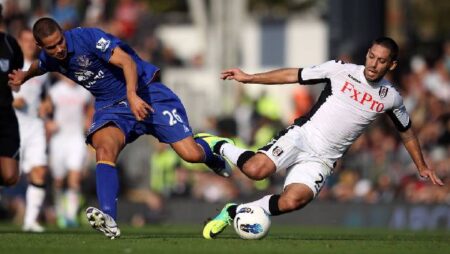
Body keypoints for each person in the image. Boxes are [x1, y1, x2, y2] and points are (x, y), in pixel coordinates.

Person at [8, 17, 231, 239]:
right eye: (51, 47)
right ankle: (109, 219)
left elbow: (127, 62)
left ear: (63, 33)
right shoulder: (49, 57)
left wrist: (132, 95)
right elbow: (40, 66)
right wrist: (24, 76)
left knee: (190, 154)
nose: (58, 49)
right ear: (41, 47)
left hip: (145, 92)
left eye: (60, 42)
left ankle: (212, 152)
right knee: (104, 149)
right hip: (110, 106)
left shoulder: (88, 38)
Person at [202, 37, 444, 239]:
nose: (373, 64)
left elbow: (407, 131)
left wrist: (421, 166)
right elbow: (293, 75)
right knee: (256, 170)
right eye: (371, 56)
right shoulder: (340, 70)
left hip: (324, 159)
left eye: (381, 61)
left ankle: (235, 211)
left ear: (391, 65)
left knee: (293, 201)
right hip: (302, 136)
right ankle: (220, 145)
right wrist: (251, 77)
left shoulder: (391, 97)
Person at [13, 28, 50, 233]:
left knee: (39, 171)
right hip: (12, 124)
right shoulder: (8, 65)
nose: (28, 44)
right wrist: (10, 101)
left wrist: (47, 105)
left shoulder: (41, 69)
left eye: (32, 42)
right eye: (25, 40)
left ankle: (31, 221)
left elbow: (45, 96)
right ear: (18, 42)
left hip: (35, 126)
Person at [44, 74, 93, 228]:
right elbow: (44, 109)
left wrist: (88, 121)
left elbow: (91, 107)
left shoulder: (84, 91)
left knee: (75, 178)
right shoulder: (56, 90)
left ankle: (70, 216)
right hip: (59, 139)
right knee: (58, 180)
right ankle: (60, 213)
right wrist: (48, 123)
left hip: (76, 139)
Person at [0, 3, 23, 187]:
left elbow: (17, 78)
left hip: (6, 114)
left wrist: (16, 84)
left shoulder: (10, 44)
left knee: (10, 176)